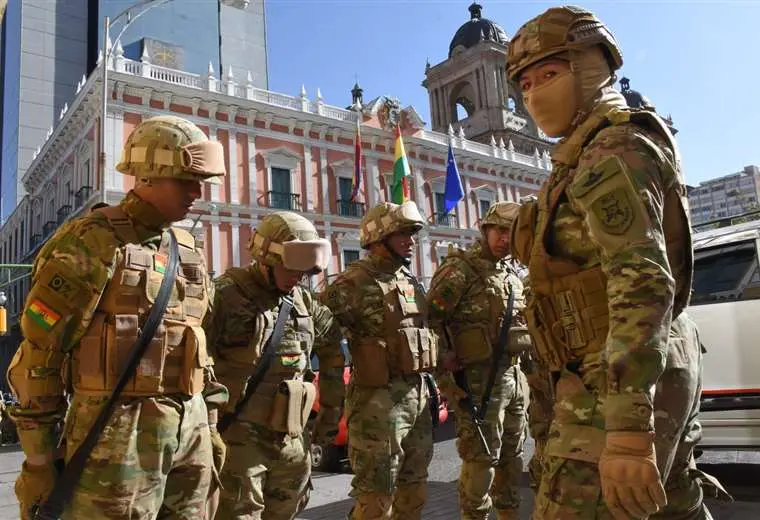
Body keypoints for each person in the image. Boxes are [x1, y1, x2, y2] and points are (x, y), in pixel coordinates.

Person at [506, 6, 726, 519]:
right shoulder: (587, 151)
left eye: (550, 74)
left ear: (590, 66)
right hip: (633, 366)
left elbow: (642, 279)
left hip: (617, 380)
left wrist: (627, 431)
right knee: (675, 508)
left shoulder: (611, 148)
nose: (534, 94)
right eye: (525, 83)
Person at [7, 115, 227, 519]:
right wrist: (39, 461)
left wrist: (209, 429)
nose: (198, 192)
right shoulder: (93, 240)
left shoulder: (189, 248)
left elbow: (199, 348)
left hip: (189, 436)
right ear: (148, 174)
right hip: (115, 440)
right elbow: (40, 356)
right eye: (186, 180)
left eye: (202, 182)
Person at [204, 211, 345, 520]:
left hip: (292, 442)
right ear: (267, 257)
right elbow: (197, 361)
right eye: (292, 267)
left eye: (306, 269)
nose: (299, 276)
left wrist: (330, 415)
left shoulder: (304, 302)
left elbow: (334, 349)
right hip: (239, 442)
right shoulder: (226, 294)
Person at [319, 201, 437, 520]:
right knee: (376, 498)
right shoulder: (353, 282)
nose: (410, 240)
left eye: (412, 233)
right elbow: (321, 335)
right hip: (377, 407)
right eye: (402, 233)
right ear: (377, 237)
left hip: (417, 399)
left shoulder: (410, 280)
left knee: (415, 491)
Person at [427, 202, 529, 520]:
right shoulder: (459, 272)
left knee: (512, 459)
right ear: (484, 230)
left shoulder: (511, 277)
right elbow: (431, 321)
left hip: (513, 378)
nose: (505, 240)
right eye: (499, 231)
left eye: (511, 234)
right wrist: (445, 368)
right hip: (476, 384)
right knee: (482, 460)